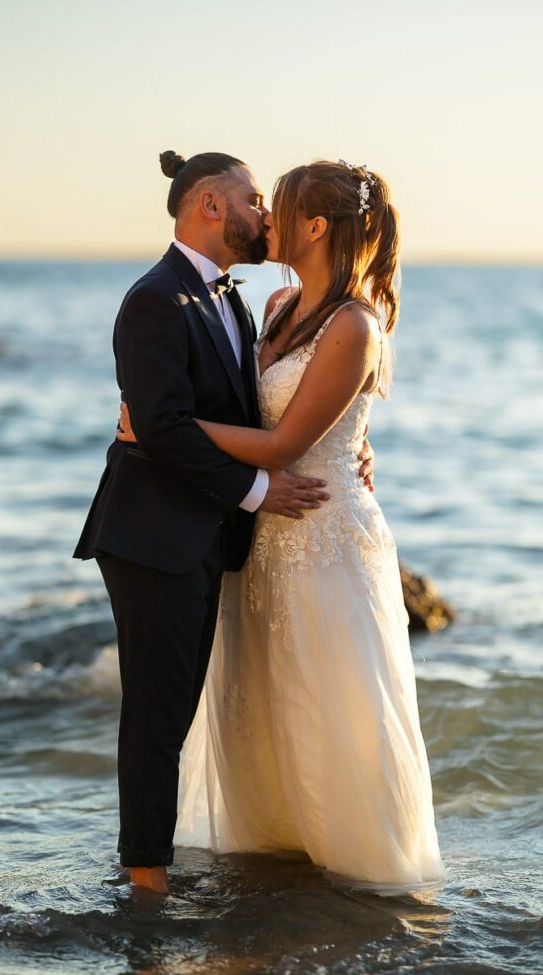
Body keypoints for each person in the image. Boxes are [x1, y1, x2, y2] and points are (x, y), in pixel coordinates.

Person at [120, 159, 444, 893]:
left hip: (321, 534)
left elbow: (283, 443)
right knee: (263, 710)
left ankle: (361, 893)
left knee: (329, 707)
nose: (268, 219)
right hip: (261, 535)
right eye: (260, 203)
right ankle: (272, 881)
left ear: (317, 226)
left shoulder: (356, 324)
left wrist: (158, 426)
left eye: (280, 206)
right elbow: (258, 407)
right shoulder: (272, 305)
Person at [74, 150, 375, 893]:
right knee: (157, 714)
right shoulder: (157, 297)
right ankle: (145, 885)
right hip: (153, 534)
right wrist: (255, 488)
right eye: (250, 199)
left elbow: (263, 410)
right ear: (210, 205)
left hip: (205, 535)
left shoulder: (236, 300)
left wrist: (354, 444)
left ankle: (157, 867)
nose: (262, 215)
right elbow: (167, 428)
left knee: (178, 710)